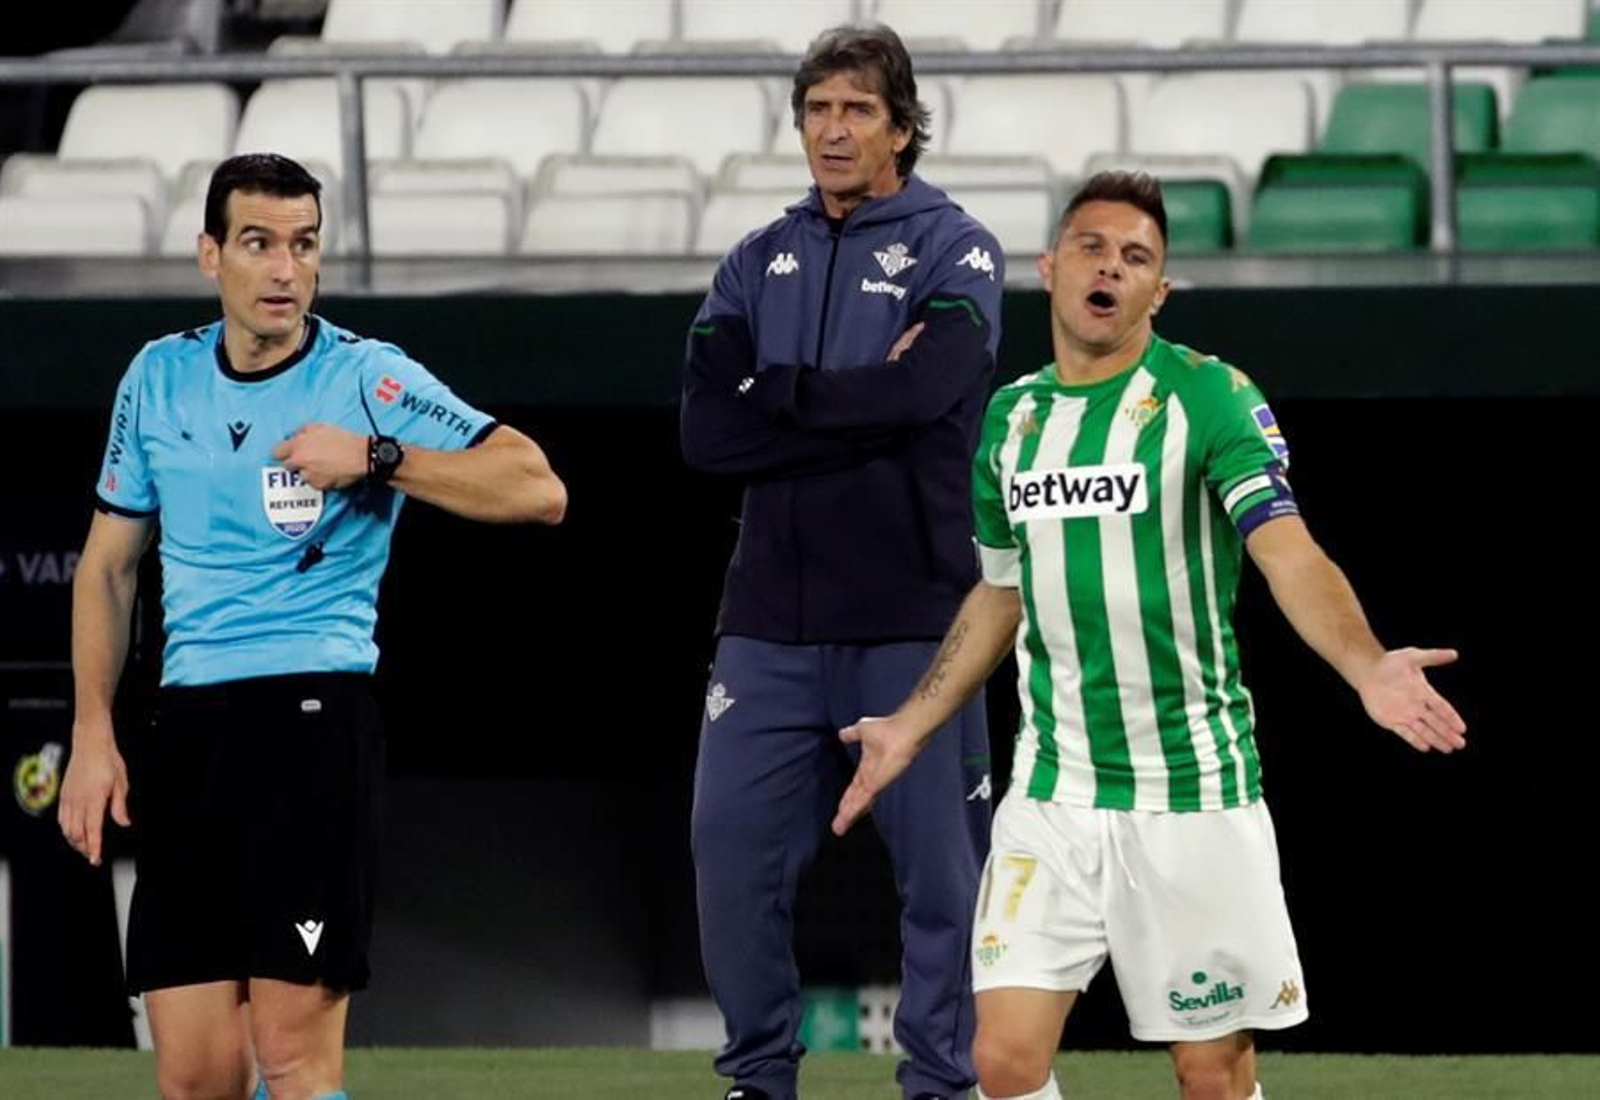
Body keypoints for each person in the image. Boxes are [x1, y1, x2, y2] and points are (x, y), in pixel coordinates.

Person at [830, 172, 1467, 1100]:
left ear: (1158, 291)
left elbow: (1288, 553)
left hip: (1191, 794)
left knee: (1209, 1076)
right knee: (1000, 1061)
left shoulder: (1208, 397)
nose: (1111, 269)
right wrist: (909, 723)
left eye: (1137, 259)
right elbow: (1001, 595)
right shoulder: (1013, 421)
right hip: (1055, 792)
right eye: (1092, 248)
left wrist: (1365, 666)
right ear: (1050, 268)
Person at [56, 152, 567, 1100]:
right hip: (186, 736)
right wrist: (93, 730)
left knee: (290, 1059)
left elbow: (537, 486)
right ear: (211, 256)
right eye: (259, 244)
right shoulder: (157, 379)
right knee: (196, 1078)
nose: (286, 269)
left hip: (310, 724)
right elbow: (107, 569)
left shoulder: (366, 378)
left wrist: (378, 456)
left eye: (303, 245)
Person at [680, 23, 1006, 1100]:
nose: (832, 128)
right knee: (730, 857)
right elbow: (704, 436)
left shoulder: (957, 246)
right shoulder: (751, 258)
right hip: (767, 618)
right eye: (817, 107)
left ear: (902, 127)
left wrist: (775, 393)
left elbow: (925, 395)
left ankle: (938, 1085)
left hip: (919, 615)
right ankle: (758, 1077)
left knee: (940, 884)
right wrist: (850, 404)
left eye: (857, 109)